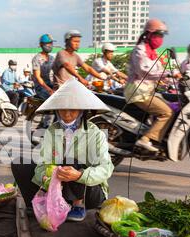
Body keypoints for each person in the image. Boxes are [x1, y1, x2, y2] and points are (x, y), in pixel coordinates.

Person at [11, 79, 114, 222]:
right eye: (62, 109)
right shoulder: (52, 131)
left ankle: (78, 205)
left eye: (72, 109)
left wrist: (79, 175)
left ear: (82, 111)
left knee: (71, 161)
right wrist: (46, 176)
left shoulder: (96, 134)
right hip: (60, 186)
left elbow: (106, 169)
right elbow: (43, 164)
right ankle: (40, 204)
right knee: (20, 163)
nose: (66, 114)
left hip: (89, 193)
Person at [124, 19, 181, 152]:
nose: (160, 39)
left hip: (147, 91)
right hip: (138, 92)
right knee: (167, 112)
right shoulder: (140, 50)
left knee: (171, 103)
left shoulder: (152, 53)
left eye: (162, 36)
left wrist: (177, 79)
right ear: (149, 35)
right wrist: (168, 74)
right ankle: (145, 139)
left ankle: (158, 136)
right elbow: (145, 71)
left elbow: (160, 71)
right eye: (158, 35)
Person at [32, 33, 56, 128]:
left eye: (51, 43)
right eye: (48, 43)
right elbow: (37, 77)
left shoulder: (52, 58)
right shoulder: (37, 58)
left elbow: (56, 73)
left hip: (51, 85)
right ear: (42, 45)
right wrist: (49, 89)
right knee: (52, 102)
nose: (50, 45)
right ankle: (46, 126)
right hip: (41, 87)